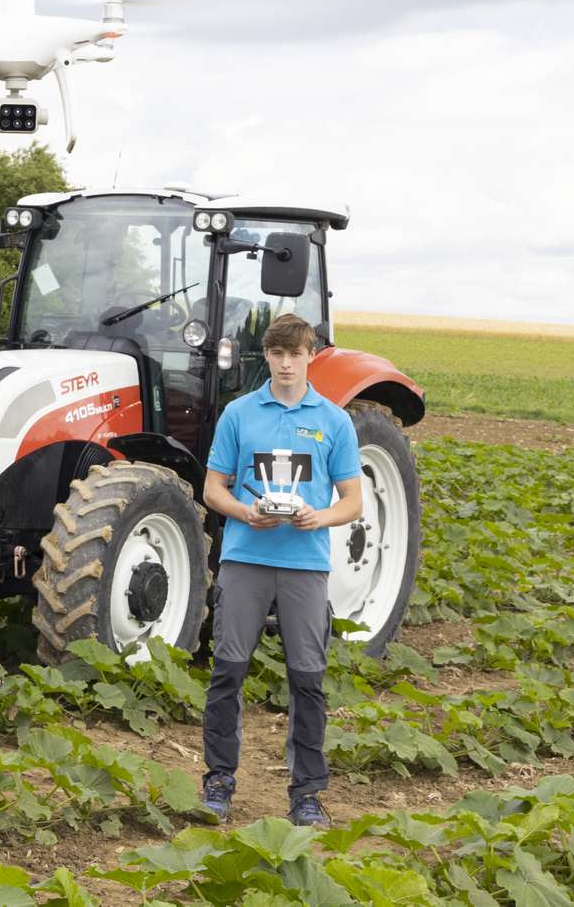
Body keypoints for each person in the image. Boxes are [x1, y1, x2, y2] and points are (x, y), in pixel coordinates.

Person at [198, 314, 363, 828]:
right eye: (277, 354)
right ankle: (218, 782)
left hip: (304, 565)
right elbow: (213, 489)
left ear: (311, 356)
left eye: (295, 354)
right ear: (266, 357)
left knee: (307, 680)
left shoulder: (335, 421)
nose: (286, 364)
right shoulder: (239, 414)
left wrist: (320, 517)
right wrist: (245, 512)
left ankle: (307, 794)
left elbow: (352, 501)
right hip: (245, 560)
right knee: (227, 672)